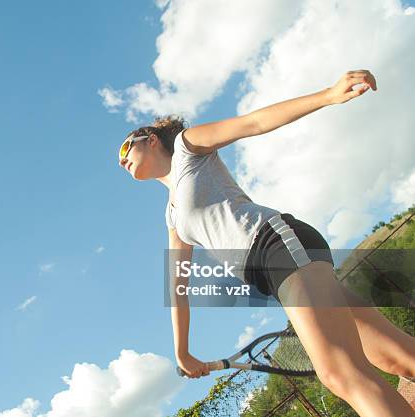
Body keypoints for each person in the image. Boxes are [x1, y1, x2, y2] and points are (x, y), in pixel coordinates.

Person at [118, 70, 415, 417]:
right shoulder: (173, 216)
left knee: (339, 373)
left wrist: (329, 94)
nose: (122, 159)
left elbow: (253, 122)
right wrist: (183, 351)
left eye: (126, 147)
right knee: (395, 355)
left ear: (150, 139)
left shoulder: (187, 147)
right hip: (276, 273)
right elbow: (178, 285)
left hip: (278, 246)